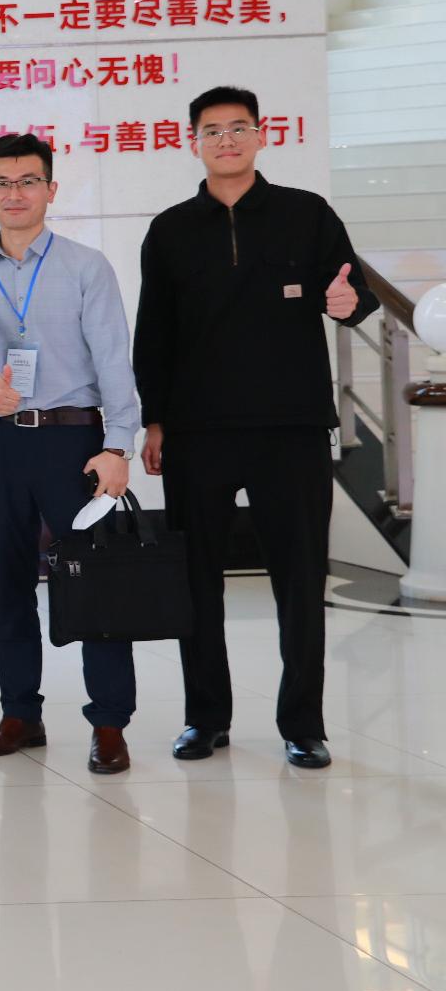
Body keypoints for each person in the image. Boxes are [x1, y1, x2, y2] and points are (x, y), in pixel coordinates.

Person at [136, 86, 374, 770]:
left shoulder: (307, 213)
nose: (227, 140)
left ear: (261, 135)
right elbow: (154, 335)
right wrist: (155, 420)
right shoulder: (171, 229)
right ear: (194, 142)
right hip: (197, 431)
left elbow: (354, 292)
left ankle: (303, 724)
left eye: (238, 128)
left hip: (291, 427)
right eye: (212, 130)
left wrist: (347, 301)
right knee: (196, 582)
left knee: (299, 582)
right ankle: (205, 718)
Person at [0, 133, 142, 774]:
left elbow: (113, 359)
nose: (15, 193)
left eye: (28, 181)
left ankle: (109, 724)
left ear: (51, 190)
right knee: (8, 582)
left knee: (95, 584)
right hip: (0, 440)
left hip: (74, 441)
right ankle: (19, 714)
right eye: (2, 183)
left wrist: (118, 445)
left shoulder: (87, 267)